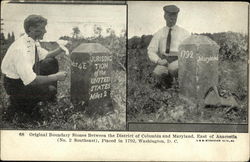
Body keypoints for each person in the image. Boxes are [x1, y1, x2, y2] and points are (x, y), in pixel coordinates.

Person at [1, 15, 68, 122]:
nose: (45, 31)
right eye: (42, 28)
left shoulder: (31, 40)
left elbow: (44, 55)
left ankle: (47, 99)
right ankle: (22, 105)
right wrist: (56, 77)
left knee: (51, 61)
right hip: (15, 85)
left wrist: (61, 49)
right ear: (31, 29)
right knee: (51, 89)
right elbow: (31, 81)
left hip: (23, 78)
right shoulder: (21, 49)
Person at [147, 5, 190, 89]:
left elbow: (190, 51)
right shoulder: (159, 33)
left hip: (179, 61)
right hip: (164, 61)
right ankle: (166, 91)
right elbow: (151, 50)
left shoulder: (184, 33)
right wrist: (159, 60)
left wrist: (183, 61)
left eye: (175, 16)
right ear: (164, 16)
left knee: (173, 69)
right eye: (170, 15)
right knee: (157, 74)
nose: (172, 18)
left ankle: (179, 89)